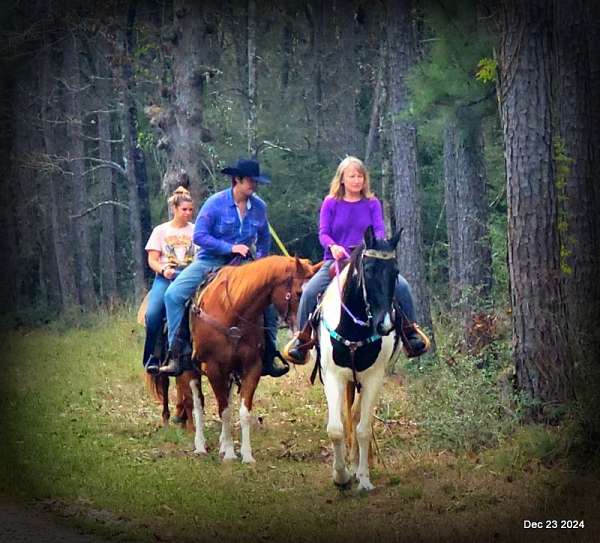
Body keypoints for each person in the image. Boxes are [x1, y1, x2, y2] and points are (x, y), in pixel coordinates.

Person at [284, 156, 429, 363]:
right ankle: (303, 340)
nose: (356, 180)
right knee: (309, 292)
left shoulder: (372, 203)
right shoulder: (330, 203)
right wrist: (333, 246)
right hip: (337, 260)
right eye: (352, 176)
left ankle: (410, 333)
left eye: (360, 176)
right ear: (342, 179)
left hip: (367, 259)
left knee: (402, 287)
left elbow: (378, 229)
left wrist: (378, 244)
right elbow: (323, 233)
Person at [159, 158, 289, 378]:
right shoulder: (215, 203)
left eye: (255, 182)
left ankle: (269, 352)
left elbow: (265, 238)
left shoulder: (259, 207)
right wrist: (229, 247)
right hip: (210, 260)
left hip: (244, 266)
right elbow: (200, 235)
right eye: (250, 181)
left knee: (267, 299)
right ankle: (178, 352)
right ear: (236, 180)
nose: (254, 186)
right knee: (173, 295)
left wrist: (261, 264)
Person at [143, 187, 196, 375]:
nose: (188, 213)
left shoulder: (196, 231)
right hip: (166, 276)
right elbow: (152, 259)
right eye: (184, 209)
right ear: (175, 208)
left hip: (191, 277)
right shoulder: (160, 231)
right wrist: (164, 270)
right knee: (153, 314)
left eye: (191, 209)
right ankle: (153, 357)